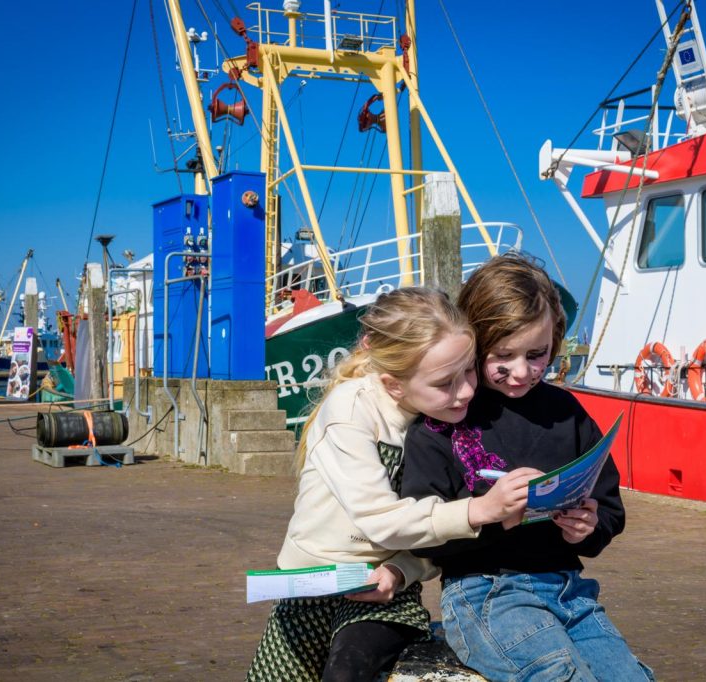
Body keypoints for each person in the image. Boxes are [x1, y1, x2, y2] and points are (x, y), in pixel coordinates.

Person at [246, 287, 539, 682]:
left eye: (468, 371)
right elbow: (379, 519)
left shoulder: (450, 423)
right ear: (394, 384)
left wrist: (400, 571)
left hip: (384, 589)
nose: (466, 391)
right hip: (311, 583)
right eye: (445, 382)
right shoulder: (352, 409)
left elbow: (437, 535)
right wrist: (480, 509)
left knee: (349, 672)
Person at [401, 254, 653, 681]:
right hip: (486, 592)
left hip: (570, 589)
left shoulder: (565, 411)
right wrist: (492, 513)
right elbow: (423, 535)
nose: (522, 372)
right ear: (475, 343)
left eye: (537, 355)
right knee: (559, 676)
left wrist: (590, 526)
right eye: (504, 355)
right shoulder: (446, 417)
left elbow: (609, 505)